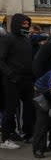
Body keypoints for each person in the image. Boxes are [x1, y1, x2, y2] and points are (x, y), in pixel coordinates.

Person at [0, 13, 35, 149]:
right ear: (16, 24)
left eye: (27, 24)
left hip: (27, 79)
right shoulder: (7, 39)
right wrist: (11, 75)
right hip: (12, 80)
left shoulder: (26, 39)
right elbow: (1, 59)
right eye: (23, 24)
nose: (26, 26)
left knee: (29, 108)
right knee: (10, 108)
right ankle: (6, 138)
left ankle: (28, 133)